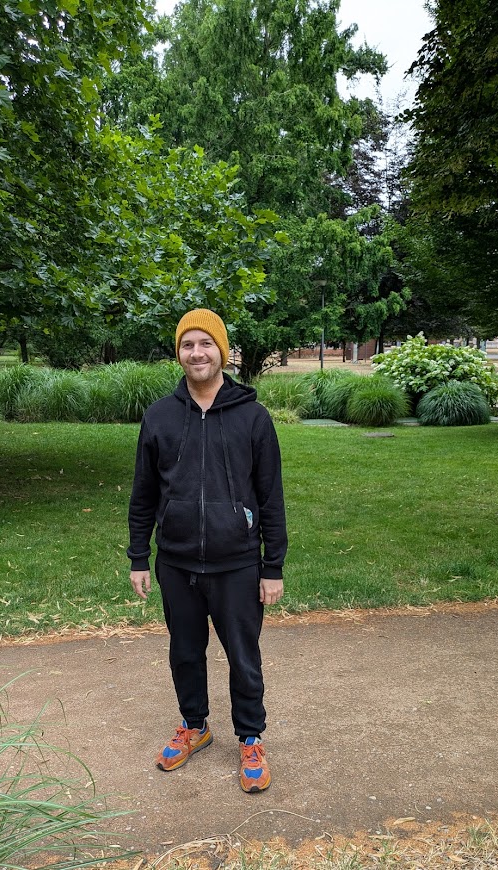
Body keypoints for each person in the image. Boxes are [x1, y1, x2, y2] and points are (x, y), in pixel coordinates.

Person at [128, 308, 287, 793]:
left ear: (222, 351)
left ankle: (250, 737)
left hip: (237, 563)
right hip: (176, 562)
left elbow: (270, 496)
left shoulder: (253, 417)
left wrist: (272, 566)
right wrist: (139, 556)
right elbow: (143, 493)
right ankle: (194, 726)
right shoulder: (159, 416)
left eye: (206, 343)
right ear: (178, 353)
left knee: (243, 655)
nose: (197, 353)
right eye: (187, 344)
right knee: (184, 653)